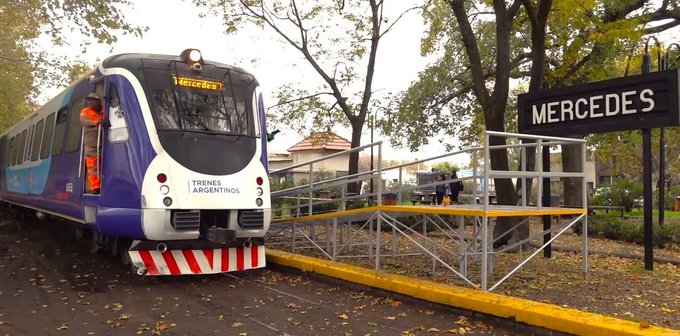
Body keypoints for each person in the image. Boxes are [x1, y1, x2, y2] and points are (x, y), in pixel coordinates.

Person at [80, 93, 105, 194]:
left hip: (104, 142)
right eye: (89, 100)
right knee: (92, 166)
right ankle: (96, 187)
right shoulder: (85, 111)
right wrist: (96, 122)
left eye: (92, 100)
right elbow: (83, 121)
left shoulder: (105, 110)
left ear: (98, 101)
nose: (90, 102)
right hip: (91, 143)